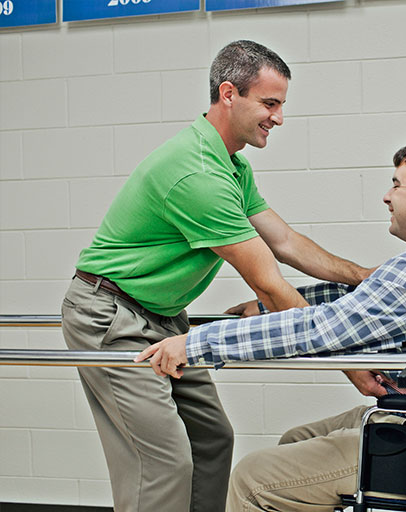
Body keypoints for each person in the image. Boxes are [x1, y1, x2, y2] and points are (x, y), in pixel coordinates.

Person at [61, 40, 372, 512]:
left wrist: (364, 276)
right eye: (270, 103)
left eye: (282, 104)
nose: (279, 117)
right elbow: (269, 283)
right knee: (163, 463)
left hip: (163, 318)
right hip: (111, 317)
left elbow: (285, 243)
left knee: (212, 441)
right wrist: (349, 363)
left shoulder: (232, 165)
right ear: (229, 93)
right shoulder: (198, 175)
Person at [137, 141, 406, 512]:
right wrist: (264, 305)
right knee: (294, 441)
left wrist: (196, 344)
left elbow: (316, 329)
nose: (386, 196)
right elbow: (359, 298)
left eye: (396, 184)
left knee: (251, 480)